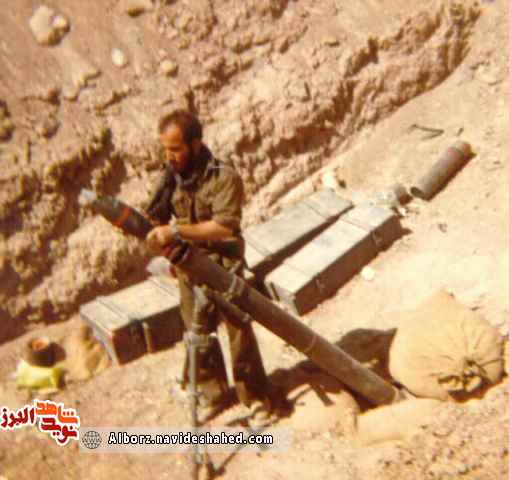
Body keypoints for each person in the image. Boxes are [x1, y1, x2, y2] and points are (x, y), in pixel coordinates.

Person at [145, 109, 273, 425]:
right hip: (189, 266)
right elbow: (156, 216)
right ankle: (212, 391)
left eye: (176, 149)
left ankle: (256, 397)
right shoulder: (171, 177)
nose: (169, 156)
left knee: (238, 331)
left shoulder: (223, 176)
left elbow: (224, 227)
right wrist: (148, 229)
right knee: (196, 331)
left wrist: (176, 232)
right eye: (165, 149)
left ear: (196, 143)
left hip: (223, 266)